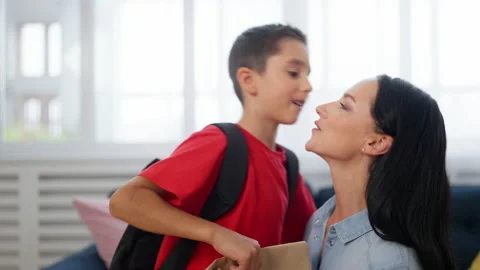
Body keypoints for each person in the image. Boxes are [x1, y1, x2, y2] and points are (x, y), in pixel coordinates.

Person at [109, 24, 316, 270]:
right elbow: (124, 200)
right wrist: (217, 234)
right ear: (248, 80)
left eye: (307, 74)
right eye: (293, 73)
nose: (307, 86)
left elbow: (314, 239)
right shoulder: (219, 142)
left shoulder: (288, 167)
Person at [303, 75, 457, 270]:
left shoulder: (389, 262)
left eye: (344, 106)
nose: (321, 108)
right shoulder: (320, 220)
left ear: (376, 143)